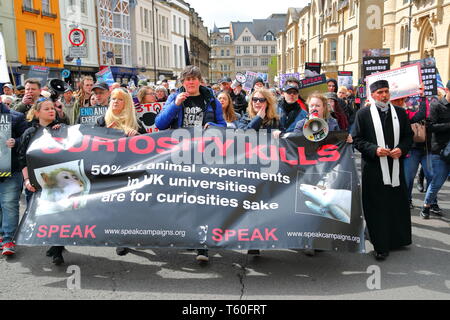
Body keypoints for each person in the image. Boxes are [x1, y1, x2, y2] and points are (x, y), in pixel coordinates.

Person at [156, 65, 226, 263]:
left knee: (202, 200)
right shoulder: (174, 97)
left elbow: (223, 125)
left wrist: (213, 126)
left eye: (194, 79)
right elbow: (160, 124)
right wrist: (175, 104)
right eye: (187, 79)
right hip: (179, 155)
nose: (191, 82)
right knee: (183, 199)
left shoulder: (211, 99)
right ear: (183, 82)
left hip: (205, 155)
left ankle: (202, 245)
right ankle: (186, 235)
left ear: (200, 80)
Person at [352, 80, 414, 261]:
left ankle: (397, 238)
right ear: (372, 95)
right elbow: (357, 139)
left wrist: (402, 149)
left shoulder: (400, 113)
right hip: (373, 167)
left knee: (396, 203)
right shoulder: (363, 114)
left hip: (395, 165)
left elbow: (408, 136)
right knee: (376, 206)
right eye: (380, 92)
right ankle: (380, 245)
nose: (384, 95)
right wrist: (374, 150)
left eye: (386, 92)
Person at [18, 98, 64, 264]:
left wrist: (61, 133)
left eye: (53, 108)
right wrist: (27, 180)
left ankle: (58, 249)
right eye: (46, 109)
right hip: (36, 183)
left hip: (57, 182)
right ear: (37, 113)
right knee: (41, 215)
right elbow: (22, 159)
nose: (51, 111)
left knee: (59, 215)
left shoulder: (61, 130)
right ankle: (53, 243)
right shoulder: (29, 133)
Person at [0, 101, 29, 256]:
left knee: (9, 204)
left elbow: (26, 138)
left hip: (11, 169)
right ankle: (1, 235)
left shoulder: (16, 117)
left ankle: (8, 239)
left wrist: (15, 141)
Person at [420, 80, 450, 219]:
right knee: (437, 181)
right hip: (440, 151)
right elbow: (430, 126)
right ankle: (426, 206)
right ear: (446, 90)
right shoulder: (436, 105)